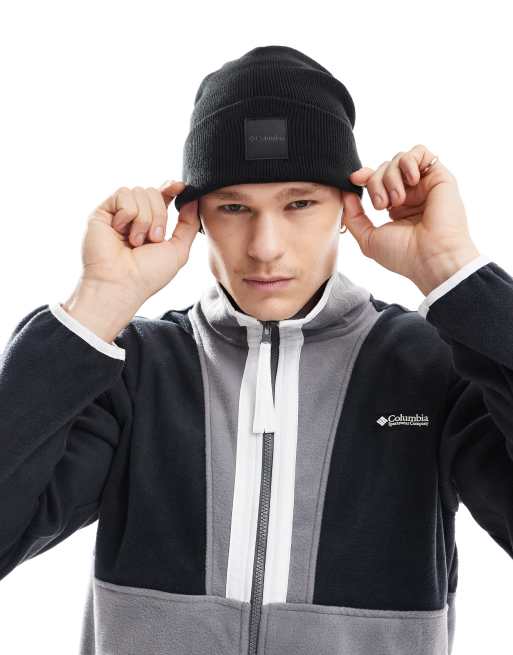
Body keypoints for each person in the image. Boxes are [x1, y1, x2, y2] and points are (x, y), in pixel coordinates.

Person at [1, 45, 512, 655]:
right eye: (234, 207)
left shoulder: (432, 364)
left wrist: (455, 271)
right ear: (195, 217)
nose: (265, 246)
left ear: (347, 208)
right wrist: (96, 304)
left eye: (300, 203)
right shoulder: (134, 369)